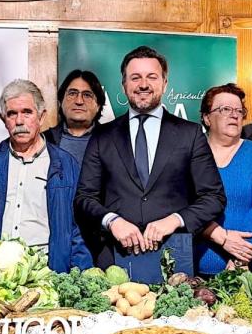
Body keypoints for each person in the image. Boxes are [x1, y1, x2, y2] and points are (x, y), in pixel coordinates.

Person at [75, 46, 226, 282]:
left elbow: (213, 198)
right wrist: (112, 220)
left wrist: (174, 220)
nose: (143, 84)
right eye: (135, 77)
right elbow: (84, 198)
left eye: (151, 77)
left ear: (165, 83)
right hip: (115, 263)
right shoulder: (102, 136)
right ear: (124, 85)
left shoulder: (190, 134)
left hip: (175, 260)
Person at [0, 80, 92, 272]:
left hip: (47, 273)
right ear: (3, 119)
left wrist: (81, 275)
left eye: (27, 112)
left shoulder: (65, 165)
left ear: (41, 117)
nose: (19, 121)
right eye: (12, 114)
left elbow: (77, 230)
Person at [194, 84, 252, 277]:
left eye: (239, 110)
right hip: (197, 268)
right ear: (207, 118)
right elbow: (184, 206)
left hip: (251, 268)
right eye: (225, 109)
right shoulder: (190, 155)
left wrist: (241, 256)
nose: (234, 115)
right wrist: (219, 237)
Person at [43, 70, 106, 164]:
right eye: (72, 93)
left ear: (98, 106)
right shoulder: (43, 140)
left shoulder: (112, 141)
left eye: (87, 95)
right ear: (60, 102)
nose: (79, 101)